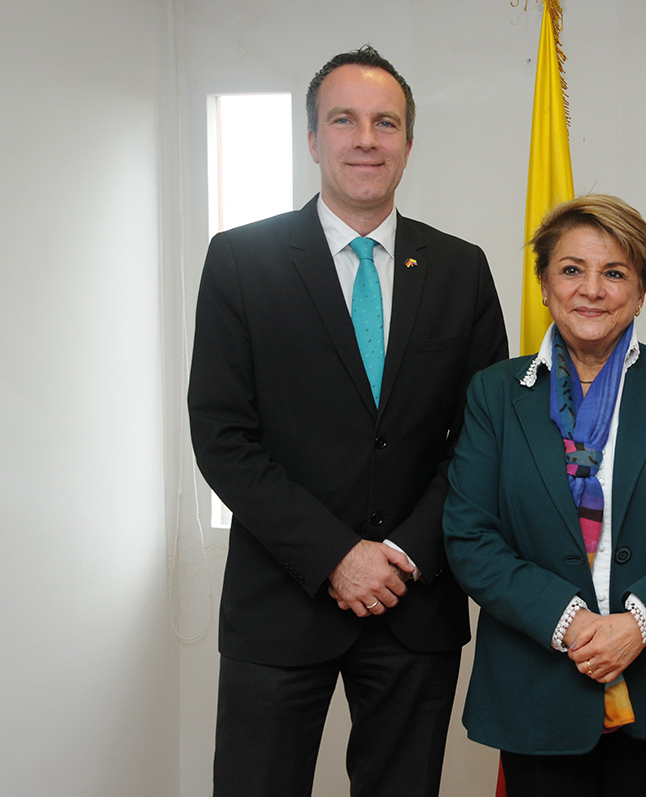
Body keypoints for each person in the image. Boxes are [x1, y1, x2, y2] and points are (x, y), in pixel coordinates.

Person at [188, 45, 508, 796]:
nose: (366, 138)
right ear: (313, 139)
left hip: (413, 600)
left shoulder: (462, 269)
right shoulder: (240, 260)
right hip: (280, 600)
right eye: (345, 120)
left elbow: (484, 438)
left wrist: (400, 550)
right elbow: (222, 437)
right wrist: (337, 554)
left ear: (407, 142)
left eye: (385, 122)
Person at [443, 195, 646, 796]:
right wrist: (570, 621)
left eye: (615, 273)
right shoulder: (496, 394)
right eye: (572, 269)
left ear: (640, 292)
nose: (592, 289)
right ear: (545, 285)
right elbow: (470, 536)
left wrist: (638, 623)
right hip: (538, 685)